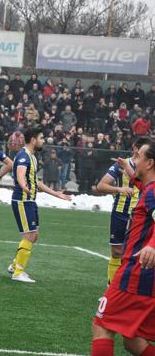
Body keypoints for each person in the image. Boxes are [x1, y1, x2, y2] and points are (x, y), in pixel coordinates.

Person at [91, 139, 155, 356]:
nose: (133, 159)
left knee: (102, 326)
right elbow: (140, 184)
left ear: (150, 163)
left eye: (138, 157)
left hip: (136, 273)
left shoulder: (153, 192)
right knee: (134, 340)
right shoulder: (149, 187)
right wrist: (128, 169)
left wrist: (153, 246)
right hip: (147, 276)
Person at [8, 128, 71, 283]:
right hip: (22, 200)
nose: (44, 141)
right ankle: (18, 272)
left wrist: (56, 194)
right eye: (42, 138)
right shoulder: (23, 156)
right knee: (29, 235)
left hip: (29, 201)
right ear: (34, 140)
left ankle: (15, 265)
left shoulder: (32, 157)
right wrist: (23, 185)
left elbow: (35, 181)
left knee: (34, 235)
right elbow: (21, 174)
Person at [96, 137, 148, 284]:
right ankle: (111, 288)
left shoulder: (148, 167)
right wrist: (119, 188)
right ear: (136, 148)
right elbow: (101, 185)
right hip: (120, 213)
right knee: (117, 252)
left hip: (139, 216)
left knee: (136, 253)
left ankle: (131, 286)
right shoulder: (120, 165)